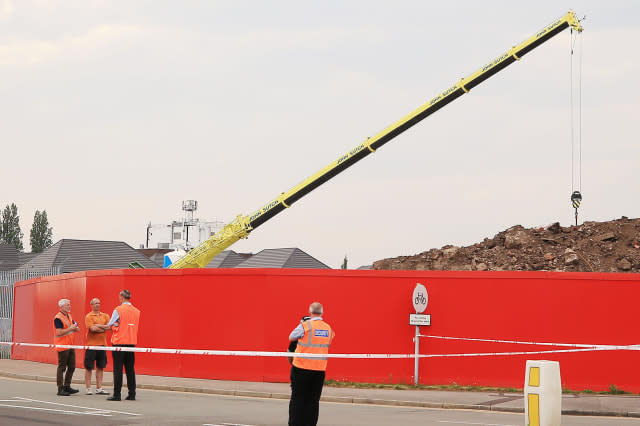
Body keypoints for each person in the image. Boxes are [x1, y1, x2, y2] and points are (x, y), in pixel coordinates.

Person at [288, 302, 335, 426]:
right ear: (322, 313)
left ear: (310, 312)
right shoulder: (328, 328)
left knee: (298, 399)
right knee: (313, 401)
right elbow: (330, 340)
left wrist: (302, 324)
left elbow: (292, 337)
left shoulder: (305, 325)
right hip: (319, 371)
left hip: (301, 369)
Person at [106, 289, 141, 401]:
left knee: (118, 369)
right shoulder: (136, 311)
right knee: (130, 369)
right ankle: (132, 393)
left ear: (121, 297)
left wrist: (100, 326)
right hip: (131, 343)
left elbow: (110, 324)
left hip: (119, 342)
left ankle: (117, 394)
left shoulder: (118, 309)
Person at [84, 298, 111, 395]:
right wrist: (103, 328)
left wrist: (99, 326)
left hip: (102, 345)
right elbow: (93, 329)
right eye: (95, 303)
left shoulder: (105, 315)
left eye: (99, 303)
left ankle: (99, 388)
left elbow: (109, 327)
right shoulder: (89, 316)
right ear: (91, 305)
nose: (97, 305)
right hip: (91, 346)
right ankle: (88, 388)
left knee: (100, 367)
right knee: (89, 367)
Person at [53, 298, 80, 396]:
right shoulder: (58, 318)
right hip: (62, 345)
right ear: (61, 306)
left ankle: (67, 386)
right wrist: (71, 328)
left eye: (69, 304)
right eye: (67, 305)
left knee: (72, 366)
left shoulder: (69, 316)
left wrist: (75, 328)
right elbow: (59, 332)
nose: (69, 306)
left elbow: (75, 326)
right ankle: (60, 389)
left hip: (70, 345)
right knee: (62, 367)